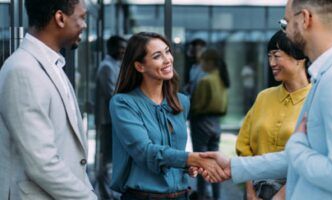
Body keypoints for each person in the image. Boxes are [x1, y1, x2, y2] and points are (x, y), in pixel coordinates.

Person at [200, 0, 332, 199]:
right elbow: (310, 158)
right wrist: (233, 166)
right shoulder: (331, 76)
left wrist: (296, 146)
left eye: (286, 22)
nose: (286, 30)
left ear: (305, 19)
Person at [108, 32, 228, 200]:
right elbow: (145, 152)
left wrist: (187, 166)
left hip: (181, 195)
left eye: (167, 51)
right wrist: (191, 158)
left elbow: (174, 151)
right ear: (139, 66)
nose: (168, 59)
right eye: (157, 56)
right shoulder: (123, 103)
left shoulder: (181, 102)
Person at [0, 0, 97, 199]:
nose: (85, 25)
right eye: (81, 17)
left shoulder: (52, 64)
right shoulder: (23, 70)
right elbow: (41, 163)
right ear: (60, 18)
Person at [236, 30, 310, 200]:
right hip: (256, 191)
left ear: (299, 57)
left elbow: (311, 157)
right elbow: (244, 147)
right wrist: (250, 193)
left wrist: (280, 196)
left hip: (297, 192)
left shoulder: (315, 99)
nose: (271, 63)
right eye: (269, 56)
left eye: (277, 56)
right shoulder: (264, 97)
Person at [190, 48, 230, 200]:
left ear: (210, 62)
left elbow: (197, 106)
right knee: (216, 162)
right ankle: (217, 196)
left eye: (203, 61)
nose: (201, 65)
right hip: (216, 124)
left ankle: (201, 195)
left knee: (201, 162)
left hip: (201, 122)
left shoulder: (205, 81)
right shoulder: (221, 79)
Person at [95, 35, 127, 199]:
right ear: (111, 48)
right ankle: (106, 195)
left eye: (124, 48)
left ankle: (107, 193)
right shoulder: (107, 66)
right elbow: (113, 94)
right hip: (107, 120)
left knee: (110, 159)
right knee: (106, 160)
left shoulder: (115, 65)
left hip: (112, 120)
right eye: (120, 47)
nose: (123, 51)